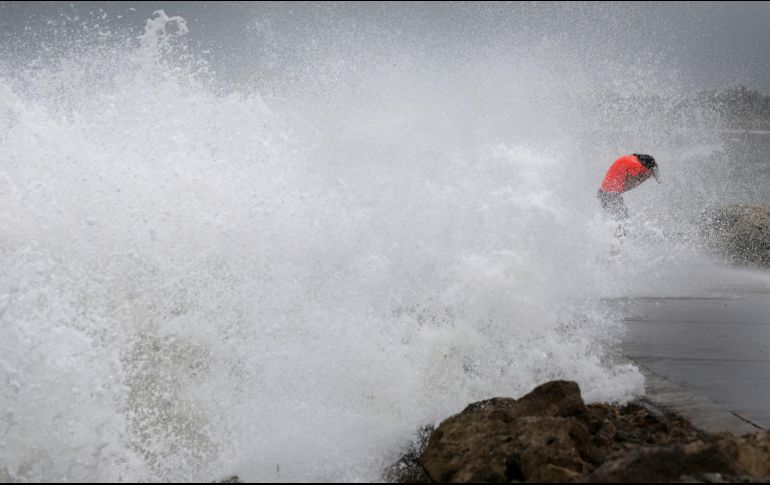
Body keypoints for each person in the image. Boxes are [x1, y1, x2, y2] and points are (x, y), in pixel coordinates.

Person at [597, 153, 660, 222]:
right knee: (623, 220)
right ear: (647, 168)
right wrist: (643, 178)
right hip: (610, 195)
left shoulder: (631, 159)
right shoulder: (636, 166)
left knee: (617, 219)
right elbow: (631, 182)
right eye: (650, 174)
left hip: (604, 193)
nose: (648, 177)